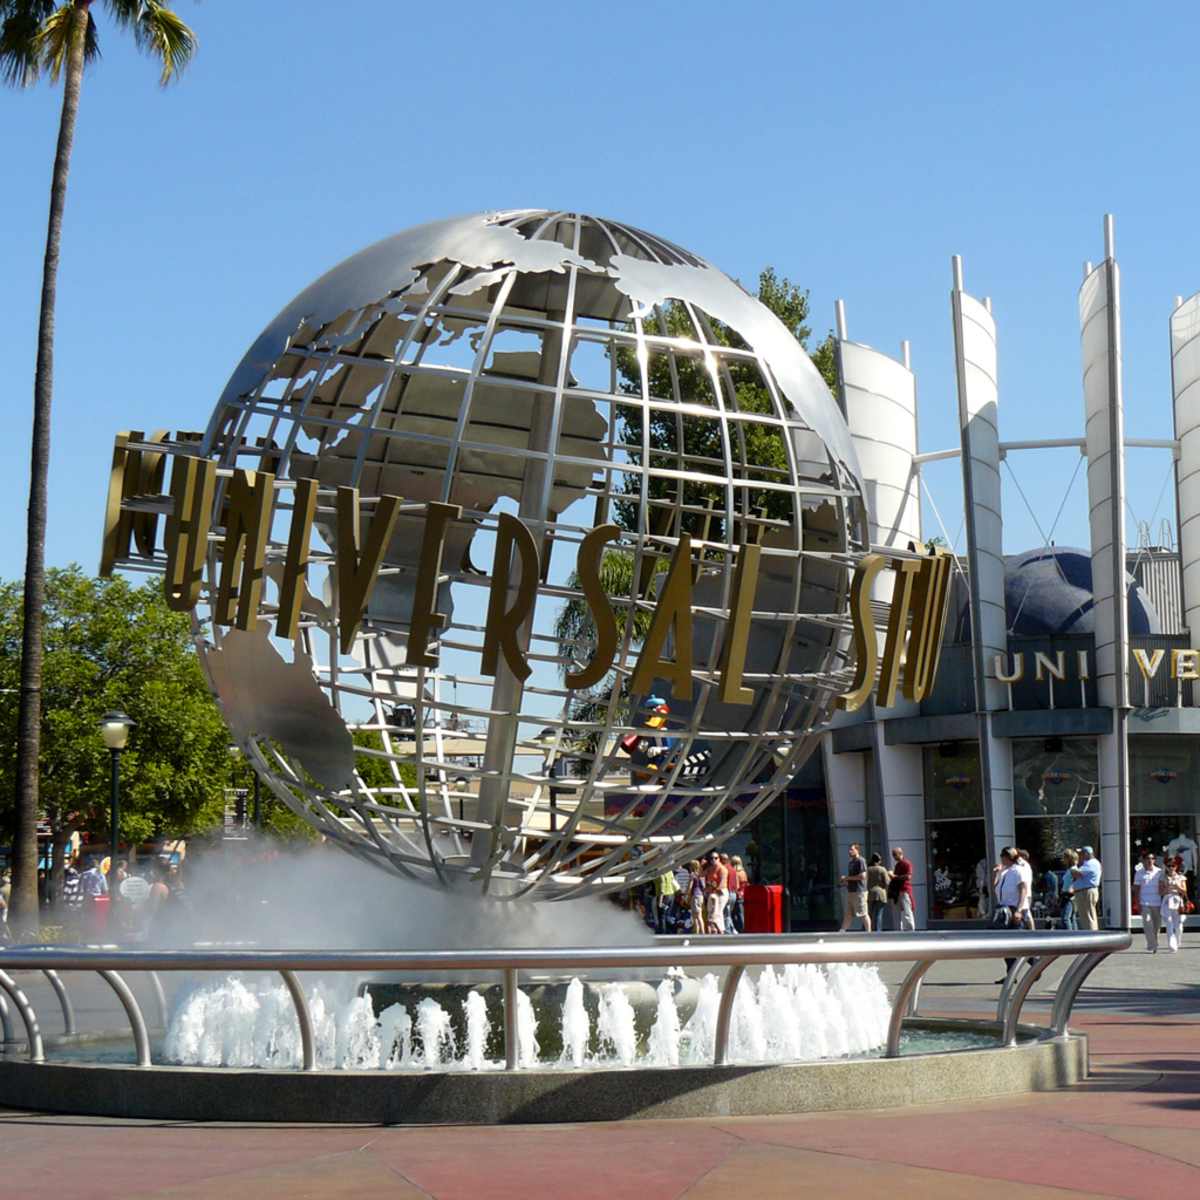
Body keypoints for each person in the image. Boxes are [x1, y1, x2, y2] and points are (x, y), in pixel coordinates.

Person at [992, 846, 1030, 981]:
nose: (1000, 859)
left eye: (1002, 856)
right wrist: (997, 872)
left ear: (1006, 857)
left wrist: (1019, 910)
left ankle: (1034, 962)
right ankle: (1011, 975)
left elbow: (1023, 890)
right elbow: (994, 887)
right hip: (1004, 910)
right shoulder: (1005, 871)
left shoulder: (1018, 871)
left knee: (1018, 943)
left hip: (1014, 910)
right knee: (1007, 945)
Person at [1134, 849, 1162, 952]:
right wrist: (1137, 903)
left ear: (1154, 860)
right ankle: (1152, 945)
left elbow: (1164, 886)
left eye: (1152, 858)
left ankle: (1154, 942)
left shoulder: (1159, 872)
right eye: (1148, 859)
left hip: (1157, 903)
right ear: (1144, 860)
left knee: (1156, 926)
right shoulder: (1139, 873)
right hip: (1144, 902)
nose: (1150, 861)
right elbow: (1136, 889)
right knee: (1147, 923)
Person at [1160, 856, 1188, 952]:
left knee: (1178, 925)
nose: (1171, 867)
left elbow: (1185, 891)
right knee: (1169, 923)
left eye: (1173, 865)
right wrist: (1167, 889)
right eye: (1169, 866)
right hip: (1167, 901)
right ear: (1166, 867)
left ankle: (1177, 941)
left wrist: (1177, 887)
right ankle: (1172, 945)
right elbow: (1160, 892)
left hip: (1178, 901)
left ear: (1176, 866)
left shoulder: (1181, 877)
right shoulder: (1162, 877)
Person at [839, 843, 870, 932]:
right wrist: (846, 882)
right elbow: (852, 877)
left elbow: (862, 876)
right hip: (851, 891)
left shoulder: (861, 860)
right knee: (848, 914)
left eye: (852, 849)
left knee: (863, 913)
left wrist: (847, 878)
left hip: (860, 891)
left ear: (857, 850)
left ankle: (869, 932)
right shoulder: (851, 862)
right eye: (849, 850)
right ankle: (842, 931)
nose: (850, 851)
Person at [1072, 846, 1102, 930]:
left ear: (1086, 854)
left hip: (1086, 892)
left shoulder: (1091, 863)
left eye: (1081, 854)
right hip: (1086, 891)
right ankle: (1091, 933)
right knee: (1087, 916)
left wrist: (1073, 865)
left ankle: (1091, 935)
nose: (1079, 856)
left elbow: (1076, 874)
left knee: (1088, 916)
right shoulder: (1091, 863)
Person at [888, 847, 916, 931]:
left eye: (895, 855)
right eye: (893, 855)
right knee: (897, 911)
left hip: (904, 890)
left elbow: (908, 876)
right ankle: (899, 929)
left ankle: (910, 929)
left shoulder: (906, 863)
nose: (894, 857)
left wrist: (894, 876)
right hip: (898, 891)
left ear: (900, 854)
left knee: (907, 910)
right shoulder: (898, 864)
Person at [703, 852, 727, 935]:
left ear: (719, 859)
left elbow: (722, 883)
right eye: (711, 858)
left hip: (720, 892)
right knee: (712, 911)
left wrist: (714, 888)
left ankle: (719, 930)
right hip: (712, 893)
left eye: (715, 858)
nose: (713, 860)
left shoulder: (722, 869)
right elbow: (701, 875)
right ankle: (717, 930)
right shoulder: (710, 868)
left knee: (717, 912)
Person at [866, 853, 891, 931]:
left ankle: (868, 929)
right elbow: (887, 882)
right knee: (878, 914)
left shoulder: (868, 869)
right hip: (880, 894)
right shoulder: (882, 869)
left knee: (869, 914)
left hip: (870, 894)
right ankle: (878, 931)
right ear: (879, 861)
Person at [1058, 850, 1079, 930]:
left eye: (1064, 858)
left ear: (1069, 859)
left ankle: (1069, 934)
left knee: (1066, 918)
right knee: (1072, 918)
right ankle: (1075, 935)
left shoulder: (1073, 869)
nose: (1063, 860)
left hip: (1069, 897)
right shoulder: (1070, 869)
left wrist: (1072, 889)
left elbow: (1077, 881)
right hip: (1066, 895)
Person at [652, 868, 678, 934]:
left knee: (662, 916)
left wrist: (660, 901)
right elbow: (673, 882)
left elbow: (662, 886)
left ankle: (662, 933)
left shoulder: (660, 872)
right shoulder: (669, 871)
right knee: (667, 915)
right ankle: (670, 931)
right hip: (671, 895)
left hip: (664, 896)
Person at [729, 855, 748, 934]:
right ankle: (743, 929)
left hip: (737, 895)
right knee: (740, 914)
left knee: (733, 914)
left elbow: (736, 886)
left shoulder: (735, 873)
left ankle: (739, 930)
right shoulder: (743, 872)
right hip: (743, 894)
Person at [687, 860, 706, 934]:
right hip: (700, 896)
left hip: (695, 896)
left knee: (697, 916)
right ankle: (697, 932)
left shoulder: (692, 875)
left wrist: (687, 895)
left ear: (692, 867)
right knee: (697, 915)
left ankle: (701, 933)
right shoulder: (700, 875)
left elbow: (690, 887)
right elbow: (703, 887)